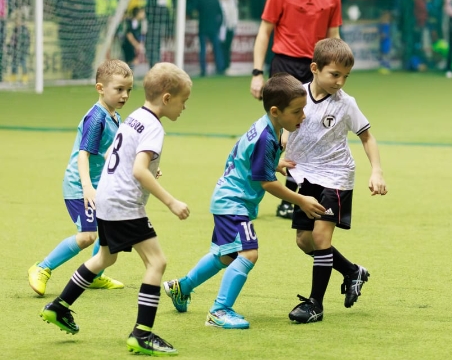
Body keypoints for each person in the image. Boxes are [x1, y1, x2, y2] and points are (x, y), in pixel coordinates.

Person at [40, 63, 192, 357]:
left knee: (105, 257)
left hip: (106, 200)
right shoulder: (153, 127)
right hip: (125, 205)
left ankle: (59, 306)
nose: (184, 107)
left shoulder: (133, 117)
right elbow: (139, 170)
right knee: (157, 262)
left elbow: (114, 153)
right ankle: (142, 334)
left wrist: (146, 167)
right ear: (167, 98)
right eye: (183, 101)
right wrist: (171, 201)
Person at [162, 74, 326, 329]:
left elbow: (246, 157)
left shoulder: (267, 127)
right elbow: (267, 183)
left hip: (227, 199)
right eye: (297, 111)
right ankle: (219, 311)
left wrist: (274, 163)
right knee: (248, 253)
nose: (302, 116)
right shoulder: (266, 137)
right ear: (276, 111)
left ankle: (181, 288)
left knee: (226, 255)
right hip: (233, 203)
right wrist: (301, 200)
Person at [285, 38, 388, 324]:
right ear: (314, 69)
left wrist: (377, 171)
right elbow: (285, 127)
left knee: (321, 238)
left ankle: (315, 305)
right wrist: (281, 155)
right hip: (305, 175)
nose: (340, 82)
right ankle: (353, 271)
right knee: (304, 241)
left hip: (336, 175)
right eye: (334, 74)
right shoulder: (297, 96)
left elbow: (367, 137)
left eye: (346, 76)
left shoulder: (346, 103)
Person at [249, 0, 342, 219]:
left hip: (316, 68)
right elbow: (264, 32)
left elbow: (334, 38)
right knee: (282, 132)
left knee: (310, 131)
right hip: (284, 65)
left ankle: (292, 199)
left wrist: (335, 75)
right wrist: (257, 72)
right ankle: (258, 190)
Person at [28, 59, 133, 295]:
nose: (125, 95)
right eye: (119, 89)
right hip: (80, 186)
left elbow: (112, 153)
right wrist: (87, 187)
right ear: (100, 88)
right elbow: (83, 155)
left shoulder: (115, 117)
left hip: (101, 186)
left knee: (111, 232)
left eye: (128, 90)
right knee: (87, 236)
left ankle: (94, 276)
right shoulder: (96, 119)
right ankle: (42, 268)